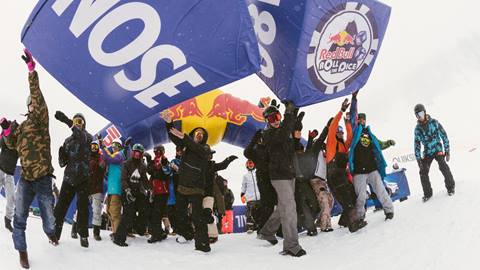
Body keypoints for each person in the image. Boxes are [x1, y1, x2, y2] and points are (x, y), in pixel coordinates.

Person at [4, 49, 58, 269]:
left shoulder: (40, 121)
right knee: (19, 216)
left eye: (35, 104)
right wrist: (8, 131)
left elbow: (37, 95)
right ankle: (22, 252)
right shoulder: (23, 127)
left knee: (49, 218)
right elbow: (11, 146)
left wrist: (31, 71)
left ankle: (52, 234)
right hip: (26, 178)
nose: (33, 106)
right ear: (27, 108)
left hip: (44, 178)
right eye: (31, 104)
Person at [257, 100, 306, 257]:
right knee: (289, 207)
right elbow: (283, 132)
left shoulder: (283, 133)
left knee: (284, 206)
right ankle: (291, 245)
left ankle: (267, 232)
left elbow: (291, 145)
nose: (276, 121)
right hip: (278, 176)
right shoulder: (267, 135)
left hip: (289, 173)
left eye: (277, 116)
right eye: (271, 119)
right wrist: (288, 114)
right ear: (267, 122)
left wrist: (295, 119)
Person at [161, 110, 211, 252]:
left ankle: (202, 243)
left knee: (197, 216)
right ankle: (186, 234)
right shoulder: (187, 145)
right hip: (183, 186)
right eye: (197, 133)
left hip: (196, 188)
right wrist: (169, 122)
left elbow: (199, 150)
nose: (199, 135)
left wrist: (186, 138)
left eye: (201, 134)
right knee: (179, 213)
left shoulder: (205, 148)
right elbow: (174, 136)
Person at [325, 99, 366, 233]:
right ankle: (353, 224)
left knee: (352, 197)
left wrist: (347, 121)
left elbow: (350, 138)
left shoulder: (343, 145)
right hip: (334, 178)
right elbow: (332, 127)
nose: (340, 134)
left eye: (341, 132)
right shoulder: (331, 144)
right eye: (339, 132)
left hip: (342, 175)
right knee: (347, 200)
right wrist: (341, 111)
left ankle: (344, 220)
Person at [53, 111, 92, 248]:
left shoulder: (87, 137)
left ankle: (83, 236)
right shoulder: (68, 141)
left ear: (84, 124)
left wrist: (68, 121)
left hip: (83, 179)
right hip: (69, 179)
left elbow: (81, 138)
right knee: (60, 208)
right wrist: (61, 155)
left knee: (83, 208)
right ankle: (55, 235)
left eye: (79, 122)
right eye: (75, 121)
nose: (77, 124)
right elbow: (62, 163)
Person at [349, 112, 395, 221]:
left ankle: (389, 211)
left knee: (380, 190)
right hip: (359, 171)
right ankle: (360, 217)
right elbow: (351, 120)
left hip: (372, 169)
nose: (361, 121)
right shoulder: (354, 133)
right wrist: (354, 100)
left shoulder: (370, 134)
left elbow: (379, 145)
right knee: (360, 196)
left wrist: (388, 143)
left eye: (363, 119)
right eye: (359, 119)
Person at [414, 104, 455, 201]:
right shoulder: (417, 129)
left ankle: (451, 187)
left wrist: (447, 151)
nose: (419, 116)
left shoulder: (434, 122)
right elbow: (416, 145)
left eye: (421, 113)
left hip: (437, 149)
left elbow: (444, 135)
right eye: (417, 115)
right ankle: (428, 193)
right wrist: (418, 159)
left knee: (443, 165)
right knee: (423, 171)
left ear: (425, 112)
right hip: (428, 152)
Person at [113, 144, 150, 246]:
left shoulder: (142, 165)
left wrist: (150, 190)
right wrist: (127, 190)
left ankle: (140, 229)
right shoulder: (127, 163)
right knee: (128, 214)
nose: (137, 155)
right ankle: (119, 238)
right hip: (127, 191)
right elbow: (123, 179)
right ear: (132, 153)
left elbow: (144, 180)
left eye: (139, 153)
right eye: (135, 152)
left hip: (138, 192)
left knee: (144, 209)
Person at [244, 128, 276, 232]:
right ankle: (262, 229)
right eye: (259, 139)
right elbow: (246, 152)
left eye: (262, 139)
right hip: (262, 177)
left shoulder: (269, 148)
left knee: (275, 203)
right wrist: (254, 139)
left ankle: (275, 229)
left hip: (273, 176)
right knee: (267, 204)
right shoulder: (254, 151)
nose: (261, 140)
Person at [204, 147, 237, 242]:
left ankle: (213, 235)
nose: (210, 157)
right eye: (208, 154)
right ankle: (199, 233)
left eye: (210, 155)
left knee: (207, 213)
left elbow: (222, 165)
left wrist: (228, 160)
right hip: (197, 194)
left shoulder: (211, 166)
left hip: (208, 195)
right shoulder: (197, 164)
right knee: (197, 215)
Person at [306, 126, 334, 232]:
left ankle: (320, 220)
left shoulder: (323, 153)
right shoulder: (313, 152)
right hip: (316, 180)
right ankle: (325, 225)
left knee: (330, 200)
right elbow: (310, 149)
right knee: (325, 200)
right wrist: (327, 127)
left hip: (323, 180)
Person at [144, 145, 170, 243]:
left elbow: (165, 173)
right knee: (150, 212)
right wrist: (149, 160)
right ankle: (159, 232)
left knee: (156, 213)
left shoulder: (164, 160)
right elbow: (150, 171)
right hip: (153, 190)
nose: (157, 153)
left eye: (159, 152)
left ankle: (156, 234)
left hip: (162, 191)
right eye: (155, 152)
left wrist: (159, 167)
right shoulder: (154, 161)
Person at [101, 137, 125, 238]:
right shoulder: (113, 158)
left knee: (115, 212)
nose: (114, 148)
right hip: (111, 189)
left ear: (119, 147)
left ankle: (117, 233)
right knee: (110, 211)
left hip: (117, 189)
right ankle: (115, 231)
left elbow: (110, 158)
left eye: (116, 146)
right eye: (113, 146)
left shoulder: (120, 155)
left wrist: (103, 147)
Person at [0, 117, 19, 232]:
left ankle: (8, 220)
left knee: (11, 198)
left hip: (10, 173)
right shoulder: (4, 133)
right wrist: (5, 132)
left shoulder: (17, 133)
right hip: (0, 168)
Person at [89, 140, 106, 241]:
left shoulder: (100, 158)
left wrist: (102, 146)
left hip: (97, 188)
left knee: (97, 210)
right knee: (80, 208)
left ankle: (96, 232)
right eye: (92, 147)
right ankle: (75, 227)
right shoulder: (86, 156)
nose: (94, 149)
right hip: (86, 187)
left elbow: (103, 166)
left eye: (96, 147)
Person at [240, 160, 261, 233]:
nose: (250, 165)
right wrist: (242, 194)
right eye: (249, 164)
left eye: (251, 164)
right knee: (250, 213)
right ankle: (250, 227)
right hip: (250, 198)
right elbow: (243, 187)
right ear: (247, 166)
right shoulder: (245, 176)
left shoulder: (258, 173)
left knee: (260, 212)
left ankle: (260, 226)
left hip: (259, 197)